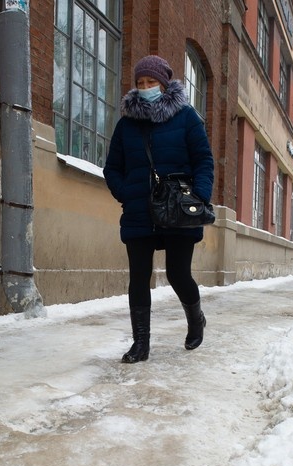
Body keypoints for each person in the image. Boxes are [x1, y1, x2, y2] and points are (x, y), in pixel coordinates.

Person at [103, 55, 215, 364]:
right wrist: (126, 193)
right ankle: (141, 344)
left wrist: (200, 197)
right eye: (140, 83)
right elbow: (112, 168)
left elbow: (204, 161)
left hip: (179, 209)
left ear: (164, 84)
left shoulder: (187, 117)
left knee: (179, 274)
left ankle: (196, 320)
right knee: (139, 276)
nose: (146, 87)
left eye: (151, 82)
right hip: (140, 210)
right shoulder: (127, 124)